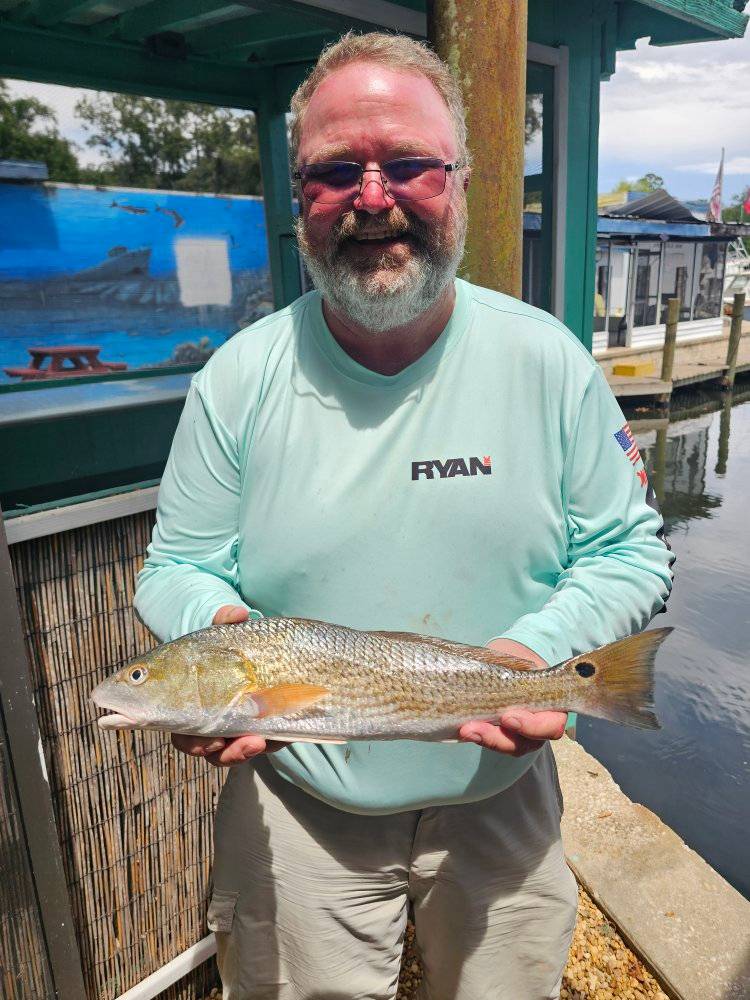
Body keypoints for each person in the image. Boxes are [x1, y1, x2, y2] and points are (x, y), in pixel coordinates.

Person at [135, 32, 674, 1000]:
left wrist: (537, 650)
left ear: (460, 180)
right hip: (301, 803)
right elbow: (177, 563)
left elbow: (629, 548)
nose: (373, 197)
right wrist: (220, 645)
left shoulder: (547, 360)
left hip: (500, 793)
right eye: (336, 170)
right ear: (300, 197)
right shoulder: (237, 377)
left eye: (410, 164)